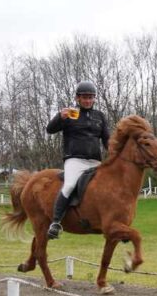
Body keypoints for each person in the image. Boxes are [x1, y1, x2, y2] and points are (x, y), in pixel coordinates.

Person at [45, 80, 111, 240]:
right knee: (69, 185)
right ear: (78, 98)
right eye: (84, 97)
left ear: (94, 98)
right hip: (75, 160)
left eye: (91, 97)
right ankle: (56, 222)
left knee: (109, 187)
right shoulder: (71, 114)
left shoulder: (100, 116)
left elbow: (107, 140)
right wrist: (60, 117)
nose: (88, 100)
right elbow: (50, 129)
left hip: (95, 161)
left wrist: (117, 154)